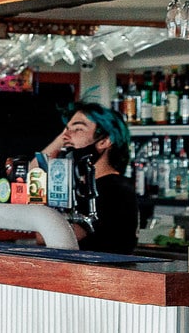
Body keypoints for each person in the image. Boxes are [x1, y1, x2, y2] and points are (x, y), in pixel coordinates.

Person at [37, 102, 139, 254]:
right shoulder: (82, 185)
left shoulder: (114, 189)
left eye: (78, 129)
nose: (65, 137)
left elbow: (49, 236)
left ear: (104, 141)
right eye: (66, 130)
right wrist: (64, 139)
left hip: (103, 276)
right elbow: (34, 175)